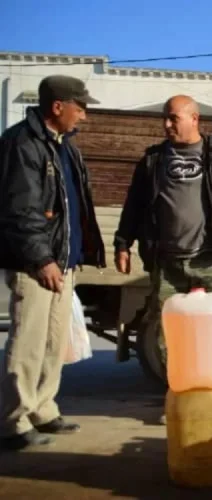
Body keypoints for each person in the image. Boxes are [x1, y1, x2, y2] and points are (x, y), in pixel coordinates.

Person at [112, 95, 212, 424]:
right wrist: (122, 243)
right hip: (166, 262)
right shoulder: (152, 161)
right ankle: (179, 399)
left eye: (173, 118)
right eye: (165, 118)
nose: (166, 124)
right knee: (169, 336)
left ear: (195, 119)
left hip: (208, 259)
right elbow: (134, 205)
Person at [0, 75, 106, 450]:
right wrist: (41, 259)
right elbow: (20, 210)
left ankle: (43, 409)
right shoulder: (22, 144)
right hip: (37, 265)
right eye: (81, 107)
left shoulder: (64, 146)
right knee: (28, 343)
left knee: (53, 342)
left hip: (63, 262)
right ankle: (13, 421)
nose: (85, 116)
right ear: (58, 106)